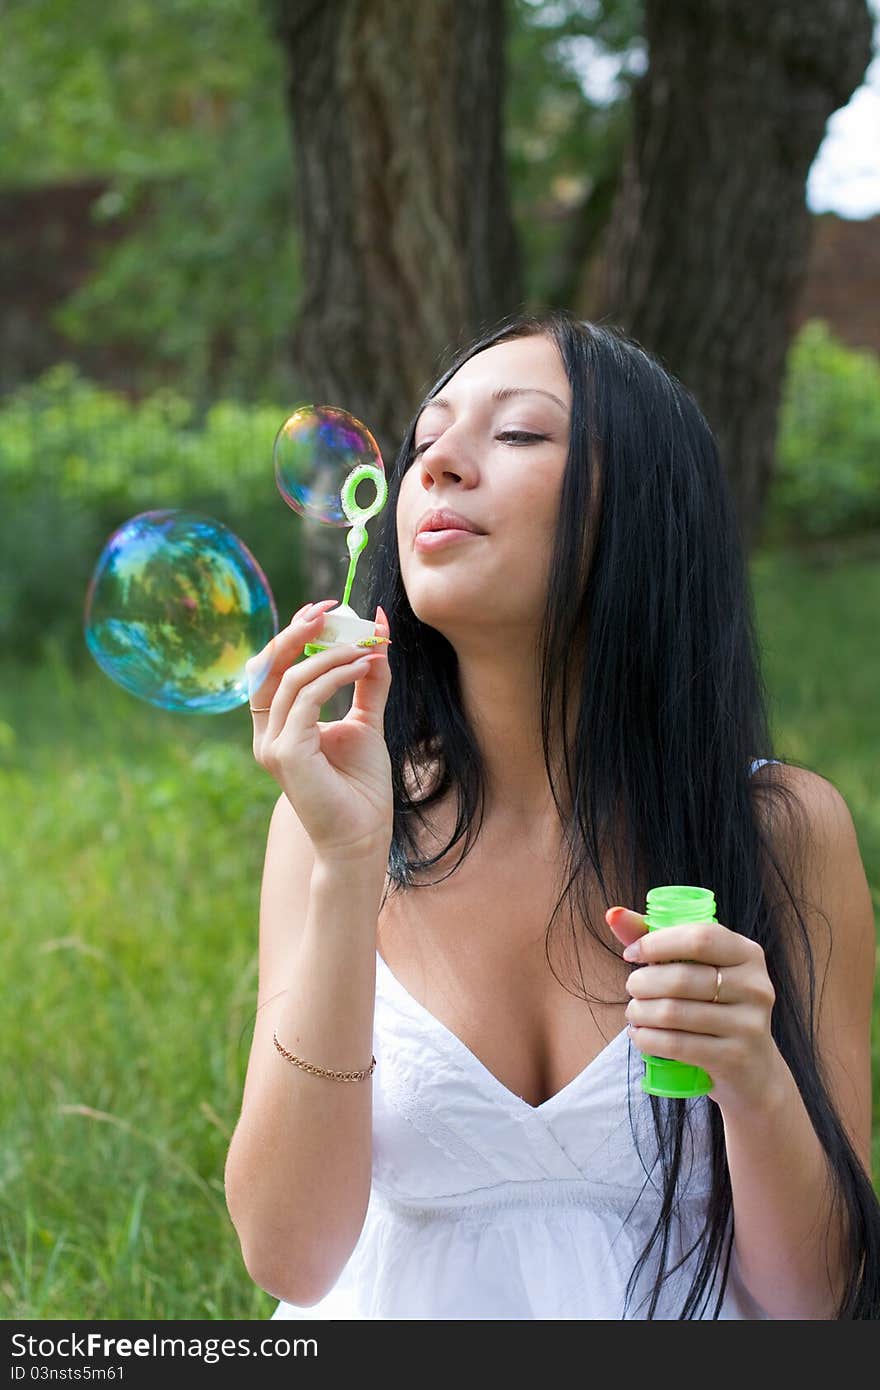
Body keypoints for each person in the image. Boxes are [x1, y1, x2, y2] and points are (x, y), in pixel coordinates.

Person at [223, 310, 880, 1319]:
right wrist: (350, 864)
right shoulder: (328, 827)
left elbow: (818, 1303)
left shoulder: (780, 830)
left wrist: (754, 1078)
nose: (436, 465)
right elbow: (290, 1258)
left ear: (644, 510)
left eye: (518, 432)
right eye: (424, 441)